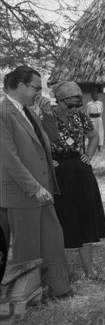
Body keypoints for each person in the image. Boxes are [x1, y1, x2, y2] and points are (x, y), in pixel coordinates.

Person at [0, 66, 72, 298]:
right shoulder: (4, 112)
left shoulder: (27, 110)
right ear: (20, 85)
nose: (39, 94)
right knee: (27, 248)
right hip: (23, 193)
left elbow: (52, 137)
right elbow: (9, 160)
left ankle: (60, 288)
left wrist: (47, 112)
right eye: (36, 88)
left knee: (52, 238)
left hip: (44, 189)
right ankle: (28, 295)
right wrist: (34, 188)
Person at [51, 81, 105, 279]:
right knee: (61, 219)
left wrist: (88, 156)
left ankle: (89, 269)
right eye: (72, 104)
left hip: (80, 170)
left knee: (85, 217)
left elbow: (93, 136)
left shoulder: (79, 116)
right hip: (57, 171)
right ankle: (59, 271)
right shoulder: (46, 117)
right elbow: (36, 142)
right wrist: (48, 160)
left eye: (78, 103)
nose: (76, 108)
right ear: (60, 100)